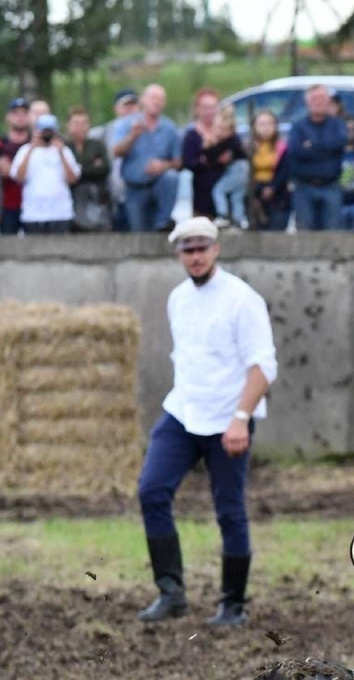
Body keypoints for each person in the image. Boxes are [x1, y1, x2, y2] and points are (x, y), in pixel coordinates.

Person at [136, 216, 278, 628]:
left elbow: (262, 367)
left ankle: (233, 604)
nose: (195, 257)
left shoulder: (241, 298)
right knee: (151, 490)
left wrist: (239, 419)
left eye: (202, 248)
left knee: (229, 509)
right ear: (179, 254)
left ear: (216, 250)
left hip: (227, 417)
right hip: (183, 411)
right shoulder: (177, 298)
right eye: (188, 250)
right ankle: (171, 592)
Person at [115, 85, 183, 231]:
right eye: (153, 98)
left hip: (158, 184)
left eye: (160, 99)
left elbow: (179, 162)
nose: (156, 102)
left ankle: (164, 221)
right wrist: (132, 137)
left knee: (171, 177)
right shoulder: (127, 124)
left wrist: (164, 165)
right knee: (138, 231)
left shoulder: (170, 128)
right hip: (134, 187)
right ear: (143, 100)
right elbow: (115, 152)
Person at [285, 84, 348, 231]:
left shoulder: (338, 125)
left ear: (328, 101)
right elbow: (295, 151)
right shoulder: (298, 126)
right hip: (304, 186)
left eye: (322, 98)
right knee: (305, 231)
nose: (318, 102)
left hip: (331, 185)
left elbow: (339, 143)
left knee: (333, 231)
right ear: (307, 102)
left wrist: (312, 146)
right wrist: (326, 149)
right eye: (314, 98)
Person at [182, 88, 243, 221]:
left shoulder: (228, 132)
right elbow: (188, 162)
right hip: (203, 198)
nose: (209, 111)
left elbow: (238, 150)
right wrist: (208, 161)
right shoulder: (192, 135)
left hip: (227, 194)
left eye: (212, 107)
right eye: (205, 107)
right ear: (197, 109)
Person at [11, 114, 78, 234]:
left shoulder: (65, 151)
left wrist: (61, 152)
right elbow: (18, 177)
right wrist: (32, 148)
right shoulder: (25, 151)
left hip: (60, 213)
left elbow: (72, 179)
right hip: (33, 213)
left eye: (49, 131)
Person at [65, 107, 112, 231]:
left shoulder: (97, 145)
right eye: (76, 123)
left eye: (83, 123)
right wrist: (89, 166)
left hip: (96, 196)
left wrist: (78, 169)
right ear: (69, 126)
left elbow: (104, 169)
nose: (80, 127)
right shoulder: (64, 147)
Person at [0, 98, 32, 235]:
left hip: (33, 206)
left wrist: (12, 170)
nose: (20, 117)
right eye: (16, 113)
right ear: (8, 117)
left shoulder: (36, 144)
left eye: (24, 113)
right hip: (7, 206)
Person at [246, 110, 289, 231]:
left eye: (270, 124)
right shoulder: (249, 147)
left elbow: (284, 171)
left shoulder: (282, 147)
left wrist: (272, 187)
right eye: (261, 124)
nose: (266, 128)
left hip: (277, 194)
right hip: (255, 195)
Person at [208, 106, 251, 228]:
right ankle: (239, 218)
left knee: (219, 190)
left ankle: (223, 215)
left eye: (222, 129)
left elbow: (213, 156)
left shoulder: (230, 140)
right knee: (237, 196)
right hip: (245, 170)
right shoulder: (234, 140)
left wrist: (210, 145)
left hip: (238, 169)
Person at [106, 88, 139, 231]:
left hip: (135, 193)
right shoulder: (103, 132)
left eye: (133, 105)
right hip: (111, 194)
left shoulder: (145, 129)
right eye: (126, 105)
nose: (130, 109)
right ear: (116, 108)